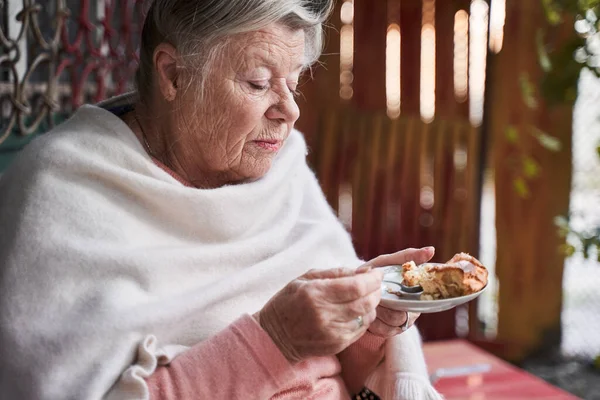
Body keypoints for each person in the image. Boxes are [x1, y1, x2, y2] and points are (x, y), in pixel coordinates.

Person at [0, 1, 443, 399]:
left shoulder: (280, 168)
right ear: (174, 74)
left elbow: (345, 370)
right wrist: (275, 341)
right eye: (257, 83)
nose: (289, 110)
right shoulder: (63, 195)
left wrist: (365, 326)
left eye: (293, 83)